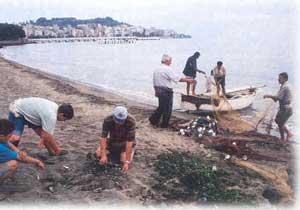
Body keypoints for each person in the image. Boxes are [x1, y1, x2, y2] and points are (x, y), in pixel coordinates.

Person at [8, 97, 74, 156]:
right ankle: (6, 151)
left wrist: (42, 141)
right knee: (15, 138)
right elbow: (47, 135)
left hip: (31, 115)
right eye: (65, 119)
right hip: (18, 110)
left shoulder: (56, 108)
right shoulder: (51, 115)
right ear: (62, 114)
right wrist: (43, 141)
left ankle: (51, 152)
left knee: (43, 133)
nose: (64, 121)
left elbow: (45, 133)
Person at [149, 54, 195, 128]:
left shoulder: (157, 68)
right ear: (166, 61)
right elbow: (176, 78)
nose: (171, 62)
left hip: (158, 89)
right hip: (165, 91)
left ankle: (153, 120)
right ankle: (164, 124)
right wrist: (188, 80)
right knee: (167, 108)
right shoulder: (167, 69)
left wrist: (155, 90)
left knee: (161, 106)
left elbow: (154, 80)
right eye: (170, 61)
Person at [96, 106, 136, 172]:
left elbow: (129, 142)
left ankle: (131, 151)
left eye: (121, 121)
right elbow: (103, 138)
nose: (119, 123)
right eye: (117, 121)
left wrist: (127, 162)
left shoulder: (131, 121)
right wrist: (103, 155)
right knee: (98, 154)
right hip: (113, 140)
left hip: (125, 142)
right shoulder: (108, 119)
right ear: (114, 116)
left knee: (124, 161)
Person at [263, 72, 293, 141]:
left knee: (280, 123)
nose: (278, 79)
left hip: (286, 109)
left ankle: (284, 137)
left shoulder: (285, 87)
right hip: (286, 108)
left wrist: (268, 96)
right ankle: (288, 134)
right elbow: (277, 99)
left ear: (285, 79)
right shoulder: (284, 86)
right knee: (278, 121)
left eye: (280, 78)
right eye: (278, 78)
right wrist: (272, 97)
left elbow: (277, 98)